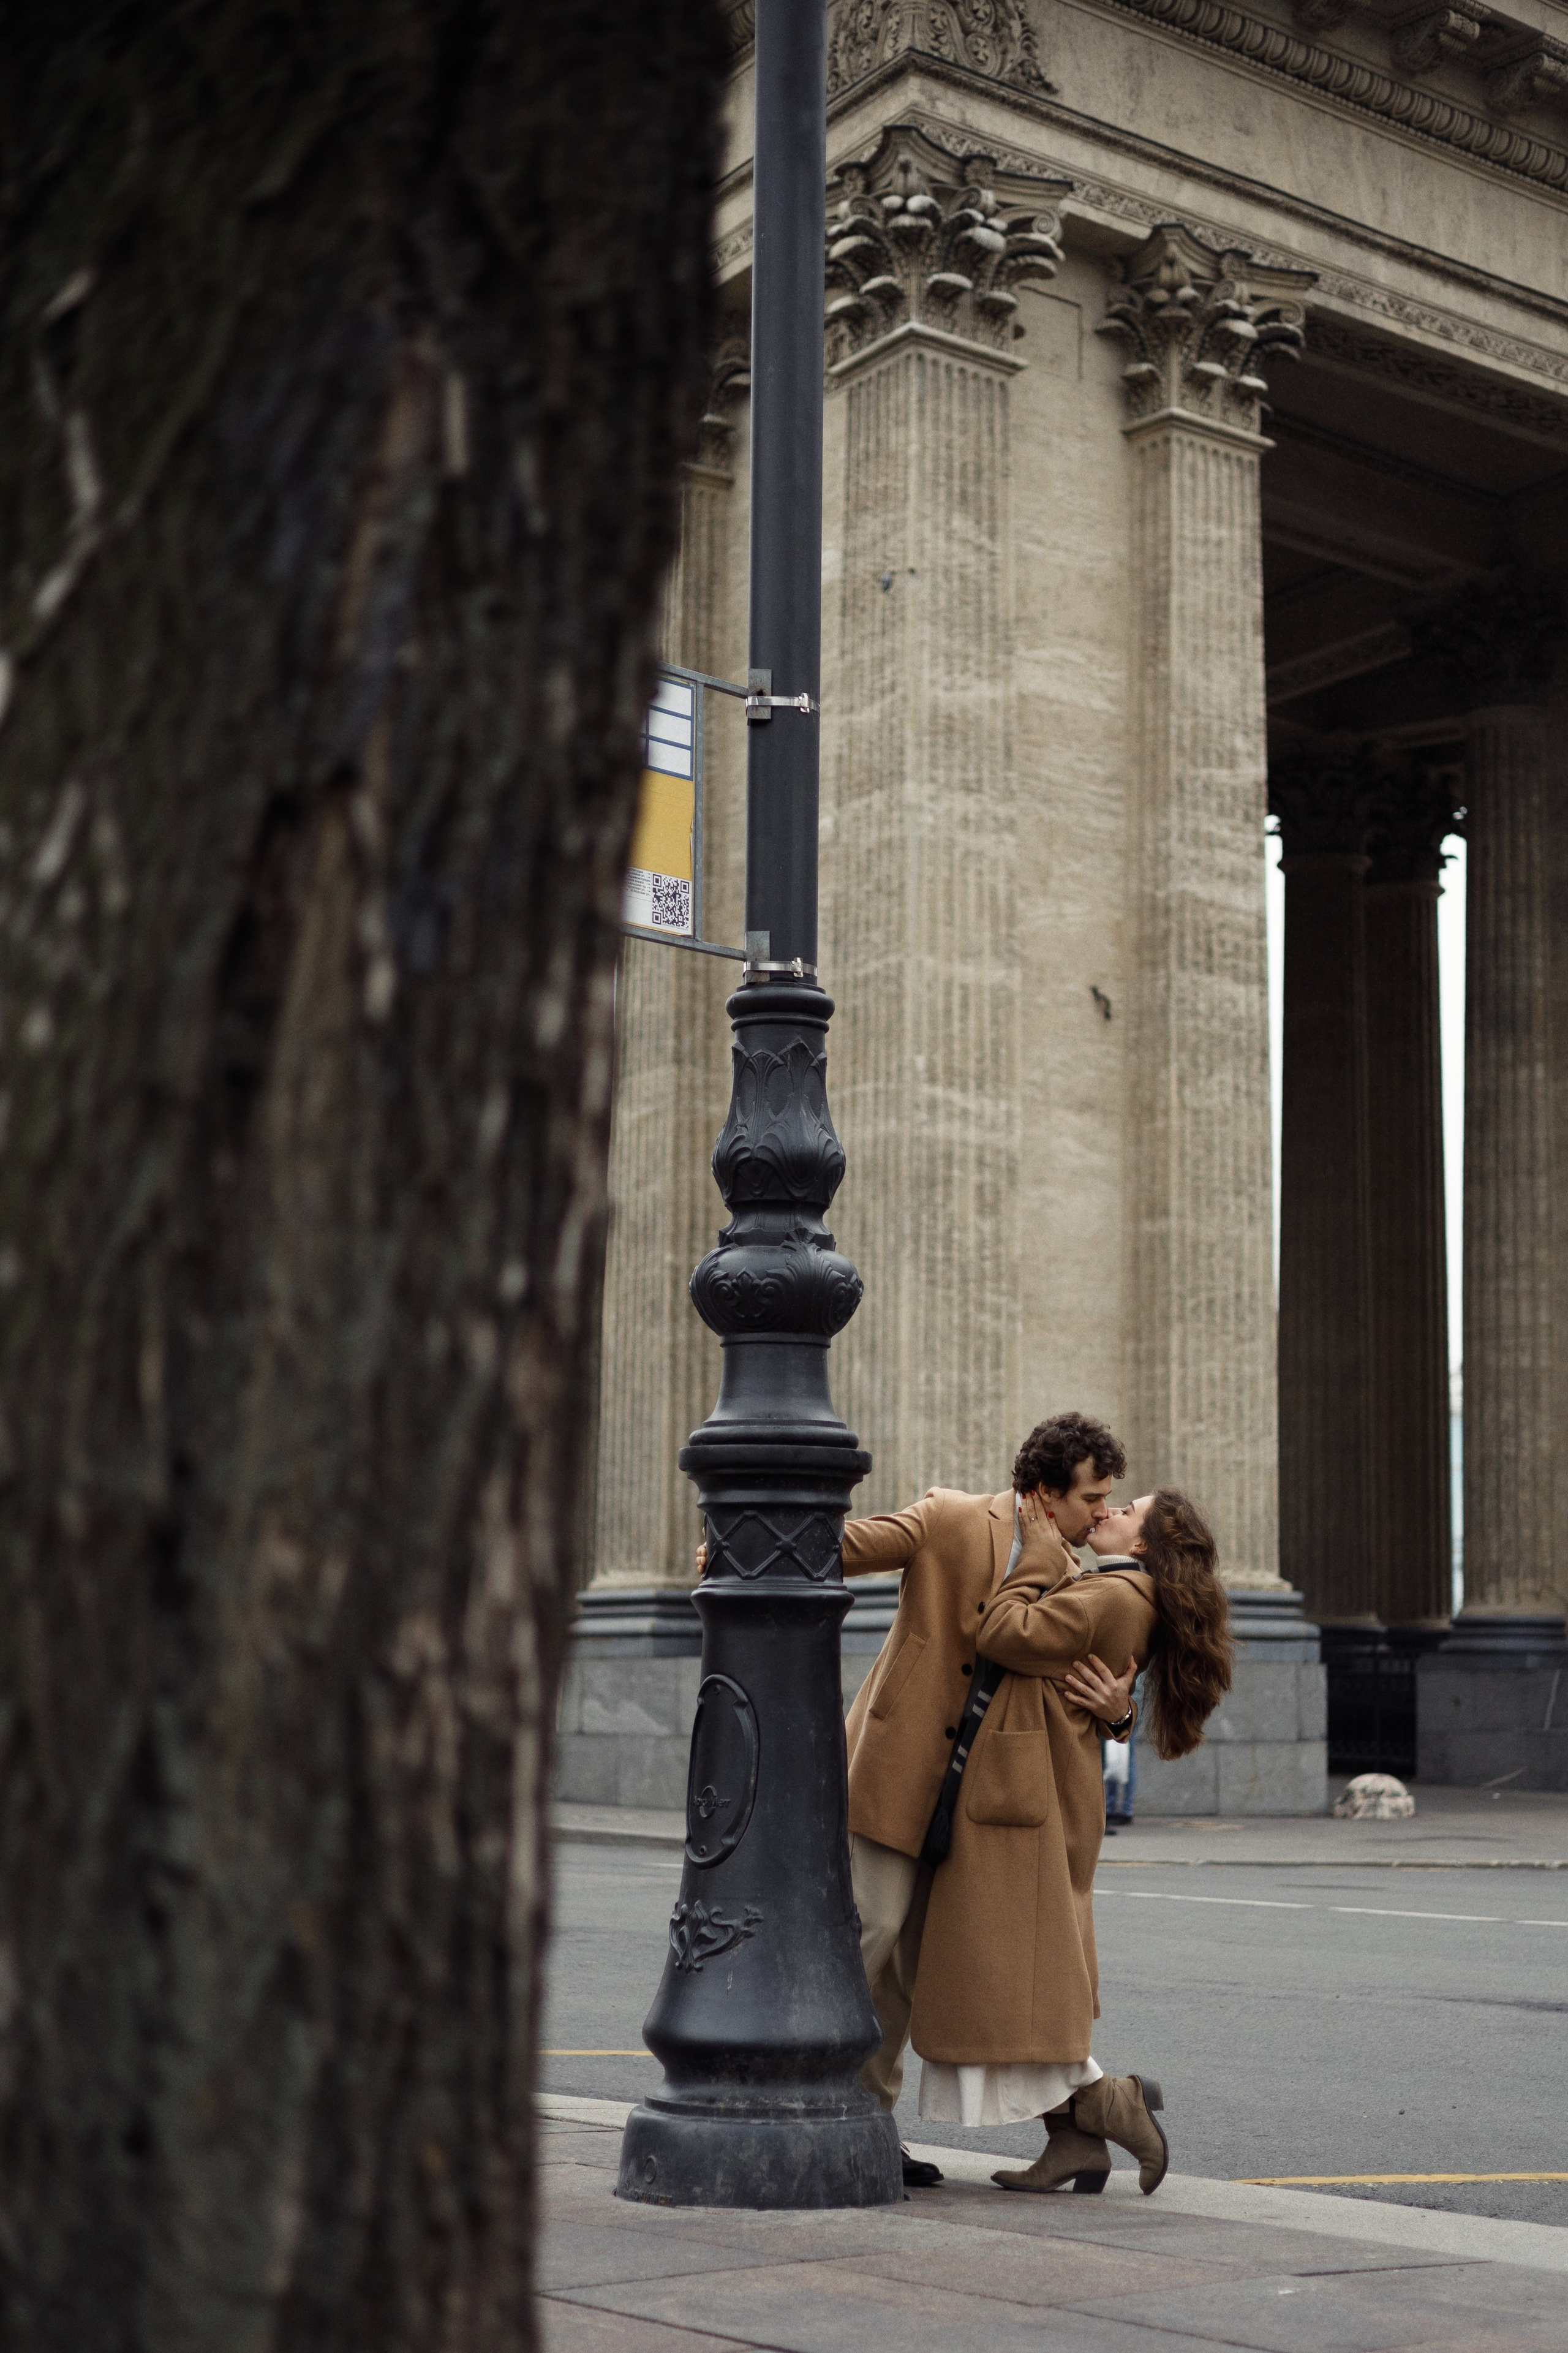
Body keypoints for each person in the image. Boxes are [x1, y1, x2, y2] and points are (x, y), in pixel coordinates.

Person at [839, 1413, 1150, 2191]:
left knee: (909, 1974)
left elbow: (1085, 1681)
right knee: (867, 1934)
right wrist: (742, 1549)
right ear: (1046, 1492)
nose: (1099, 1514)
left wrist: (1119, 1711)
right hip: (896, 1771)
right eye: (1090, 1498)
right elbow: (854, 1544)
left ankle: (870, 2127)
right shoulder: (951, 1516)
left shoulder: (1082, 1573)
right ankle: (805, 2103)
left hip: (983, 1805)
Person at [929, 1486, 1235, 2196]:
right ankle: (1072, 2143)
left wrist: (1035, 1557)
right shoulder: (1120, 1591)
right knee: (1022, 1976)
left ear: (1143, 1545)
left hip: (1027, 1802)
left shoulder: (1115, 1596)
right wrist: (1120, 1715)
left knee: (1016, 1977)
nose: (1106, 1510)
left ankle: (1110, 2102)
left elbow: (1000, 1632)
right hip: (1042, 1794)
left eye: (1124, 1508)